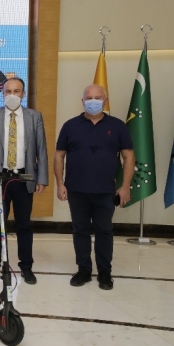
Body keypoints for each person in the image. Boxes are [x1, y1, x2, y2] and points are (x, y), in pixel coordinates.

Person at [54, 84, 134, 290]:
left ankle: (105, 272)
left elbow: (128, 156)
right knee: (80, 230)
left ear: (105, 101)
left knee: (104, 231)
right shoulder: (70, 126)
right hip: (76, 190)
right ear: (82, 102)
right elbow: (59, 155)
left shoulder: (117, 126)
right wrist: (60, 184)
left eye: (97, 98)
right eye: (89, 98)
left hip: (106, 190)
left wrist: (125, 186)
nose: (93, 101)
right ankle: (84, 270)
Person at [0, 77, 48, 285]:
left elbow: (42, 150)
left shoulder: (34, 117)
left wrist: (42, 179)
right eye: (8, 91)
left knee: (24, 224)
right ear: (3, 93)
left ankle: (26, 267)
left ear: (23, 94)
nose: (12, 95)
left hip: (24, 178)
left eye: (16, 91)